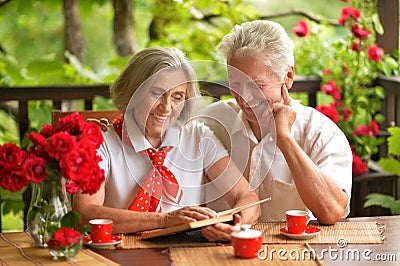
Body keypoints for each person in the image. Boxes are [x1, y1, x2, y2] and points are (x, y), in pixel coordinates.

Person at [72, 46, 260, 242]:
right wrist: (165, 220)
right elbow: (85, 213)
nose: (167, 107)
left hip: (186, 256)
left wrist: (239, 225)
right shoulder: (101, 141)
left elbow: (248, 198)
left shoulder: (198, 136)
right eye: (156, 93)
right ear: (132, 93)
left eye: (177, 97)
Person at [202, 20, 352, 225]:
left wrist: (284, 138)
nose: (244, 97)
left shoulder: (320, 134)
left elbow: (331, 211)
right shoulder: (210, 123)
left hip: (296, 253)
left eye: (256, 85)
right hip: (217, 251)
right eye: (236, 84)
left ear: (288, 77)